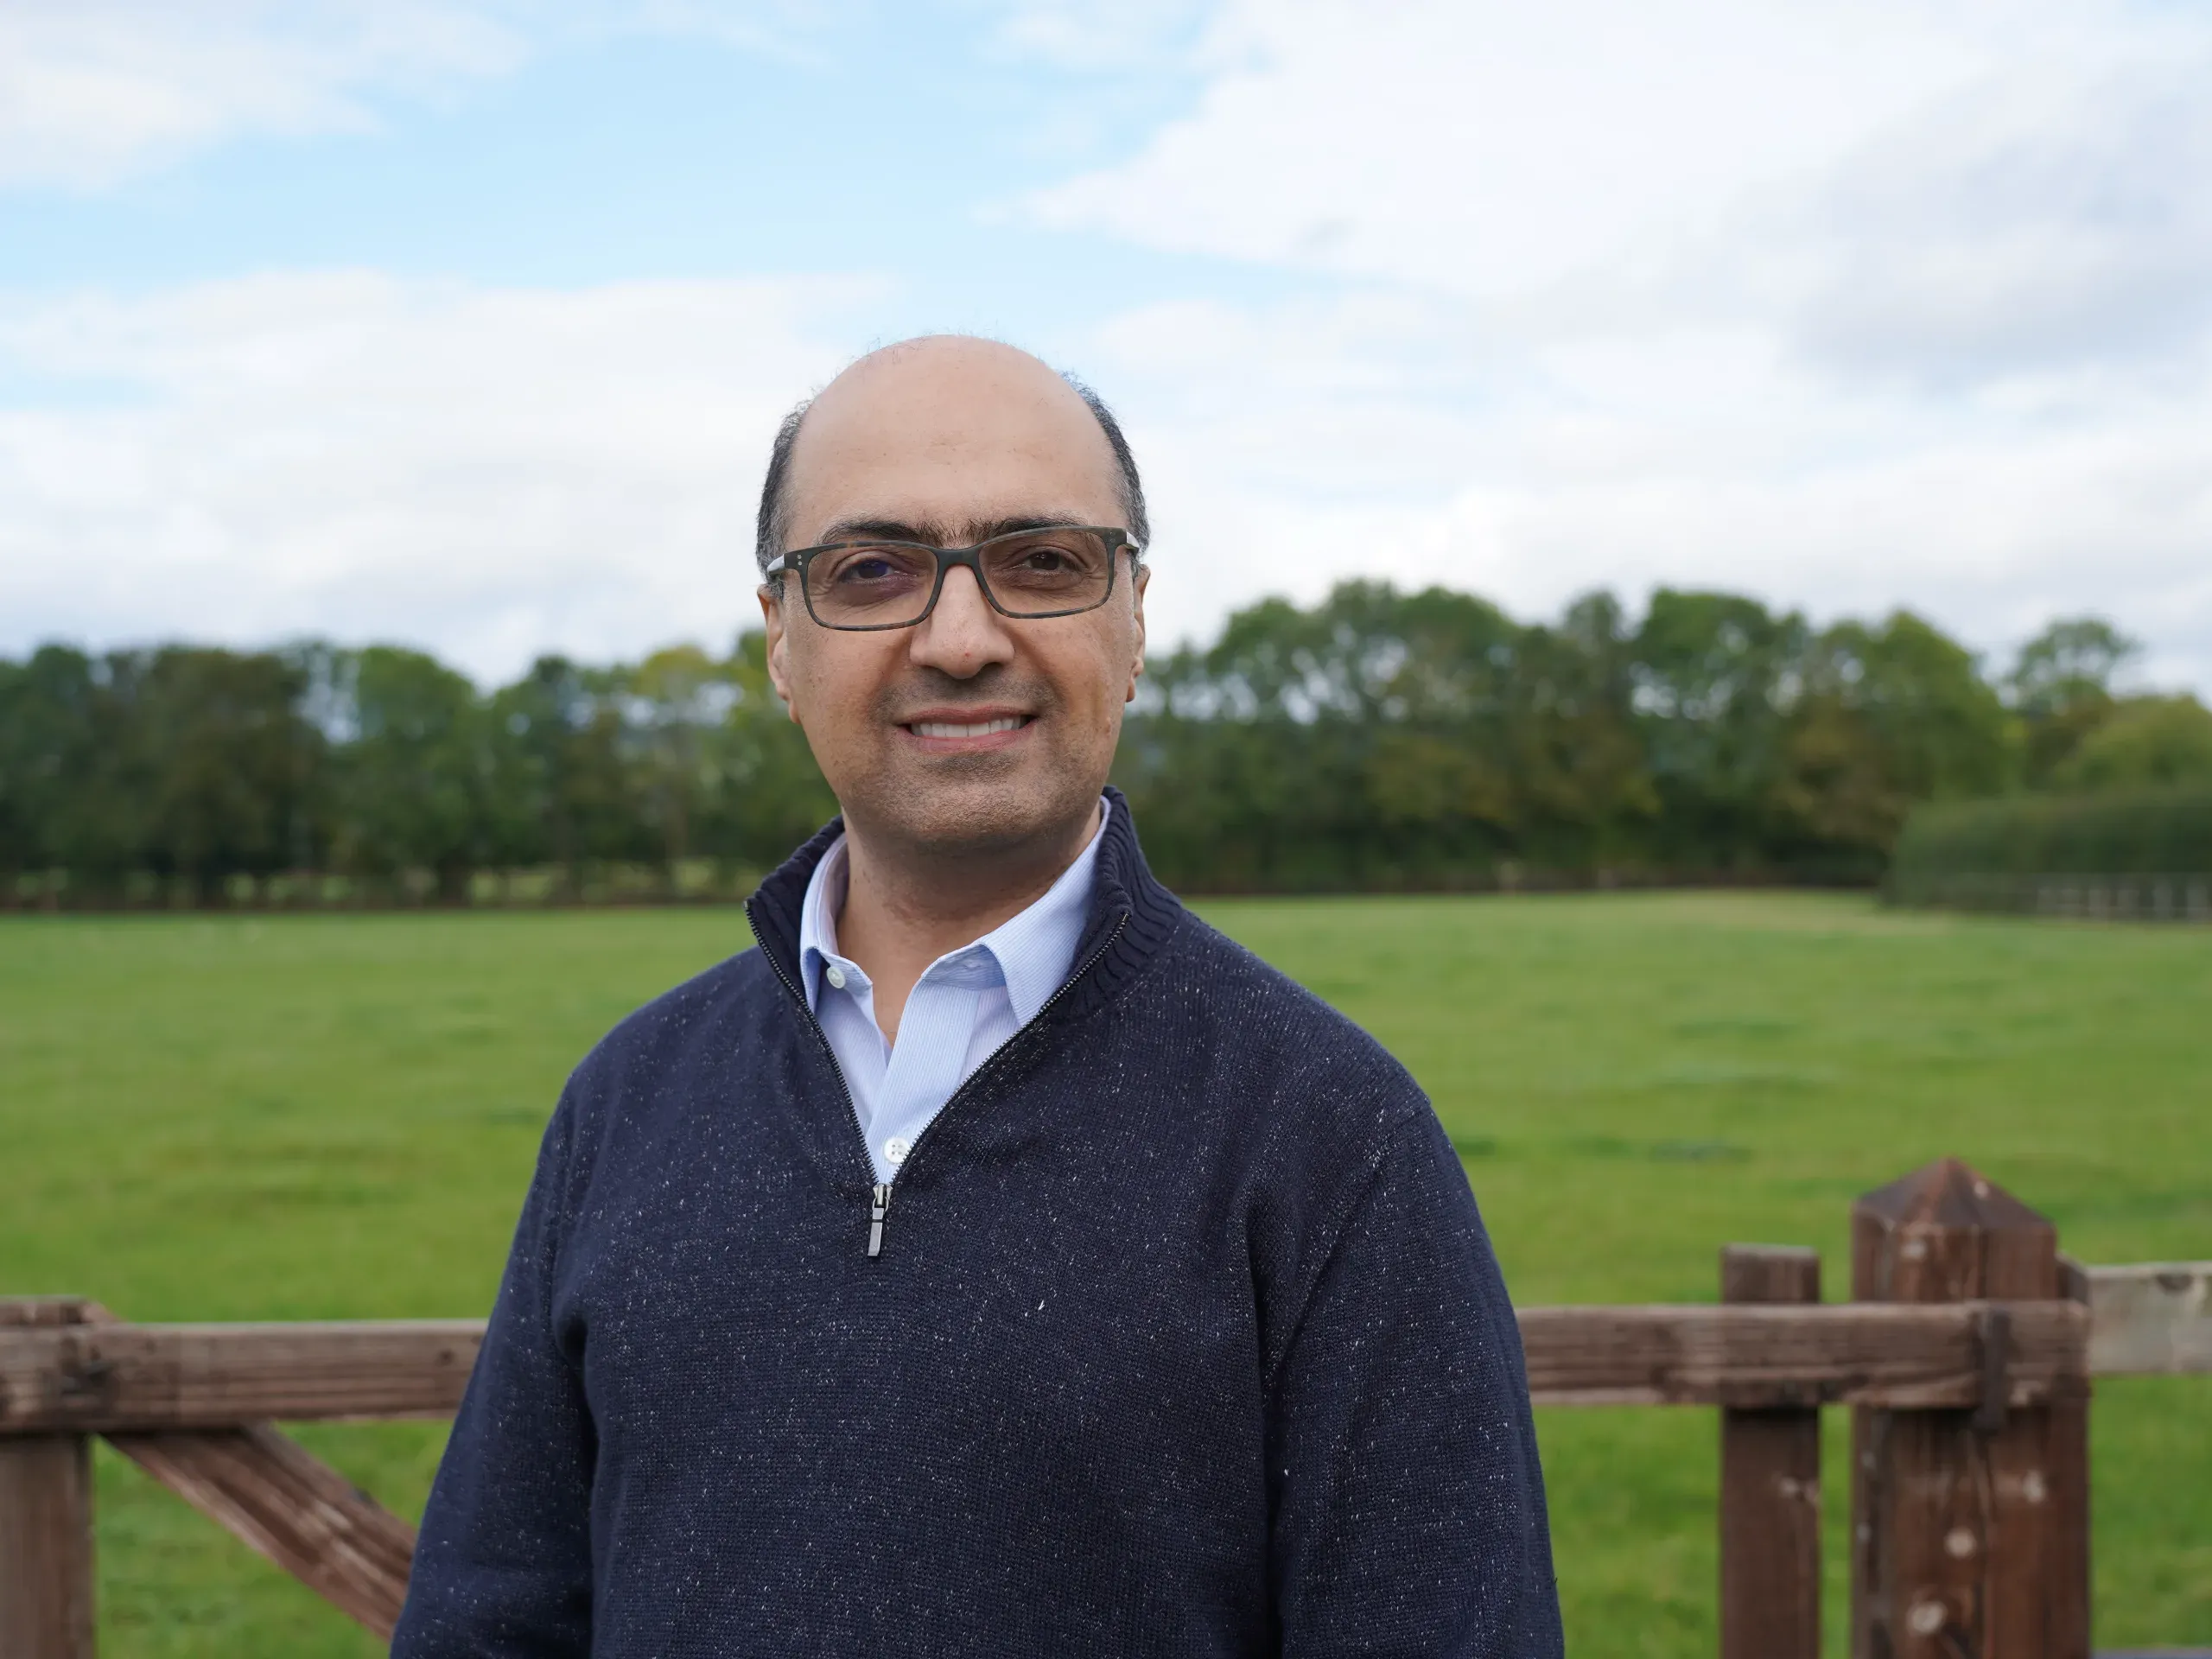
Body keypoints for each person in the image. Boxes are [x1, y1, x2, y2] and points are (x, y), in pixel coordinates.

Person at [393, 336, 1561, 1656]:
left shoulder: (1333, 1132)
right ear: (780, 639)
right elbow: (488, 1621)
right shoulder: (630, 1096)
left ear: (1134, 622)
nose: (960, 639)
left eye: (1043, 562)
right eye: (872, 570)